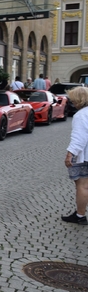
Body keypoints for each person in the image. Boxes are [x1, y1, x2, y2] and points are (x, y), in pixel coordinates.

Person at [61, 86, 88, 225]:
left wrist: (69, 154)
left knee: (83, 186)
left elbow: (79, 138)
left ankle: (80, 215)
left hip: (85, 156)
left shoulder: (81, 115)